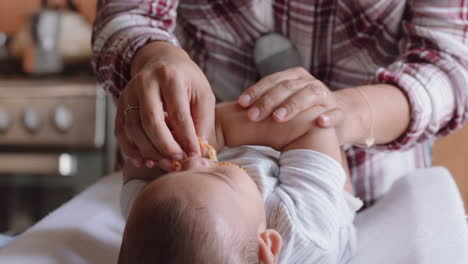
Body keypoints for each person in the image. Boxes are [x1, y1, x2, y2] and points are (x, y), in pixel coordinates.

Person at [92, 1, 468, 206]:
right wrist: (153, 57)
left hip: (380, 185)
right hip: (344, 186)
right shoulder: (309, 226)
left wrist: (355, 112)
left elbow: (450, 65)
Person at [118, 101, 362, 264]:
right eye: (217, 175)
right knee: (320, 126)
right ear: (267, 245)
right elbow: (314, 125)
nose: (192, 164)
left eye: (175, 174)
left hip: (238, 179)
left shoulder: (150, 219)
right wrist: (218, 128)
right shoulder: (304, 232)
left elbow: (137, 169)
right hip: (320, 210)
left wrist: (158, 144)